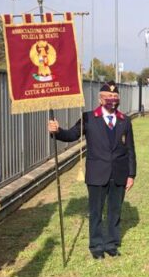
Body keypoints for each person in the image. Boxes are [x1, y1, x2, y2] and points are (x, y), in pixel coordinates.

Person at [49, 82, 136, 259]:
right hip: (97, 173)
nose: (112, 101)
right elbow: (71, 135)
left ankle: (111, 243)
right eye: (108, 98)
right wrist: (57, 131)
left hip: (119, 173)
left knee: (115, 210)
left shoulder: (124, 120)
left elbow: (130, 149)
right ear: (100, 99)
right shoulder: (88, 118)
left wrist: (131, 174)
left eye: (115, 98)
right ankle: (96, 245)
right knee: (96, 211)